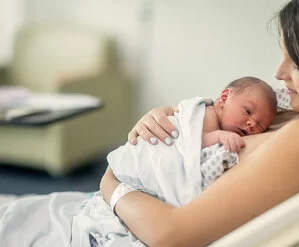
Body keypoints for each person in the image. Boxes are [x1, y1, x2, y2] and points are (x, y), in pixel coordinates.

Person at [99, 0, 299, 246]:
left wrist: (111, 183)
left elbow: (169, 235)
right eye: (284, 54)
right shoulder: (290, 109)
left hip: (130, 207)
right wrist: (166, 117)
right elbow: (206, 116)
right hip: (134, 200)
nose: (279, 72)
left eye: (296, 62)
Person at [106, 76, 277, 206]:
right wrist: (218, 136)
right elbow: (193, 140)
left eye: (261, 126)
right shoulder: (207, 114)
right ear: (224, 98)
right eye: (247, 111)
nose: (252, 124)